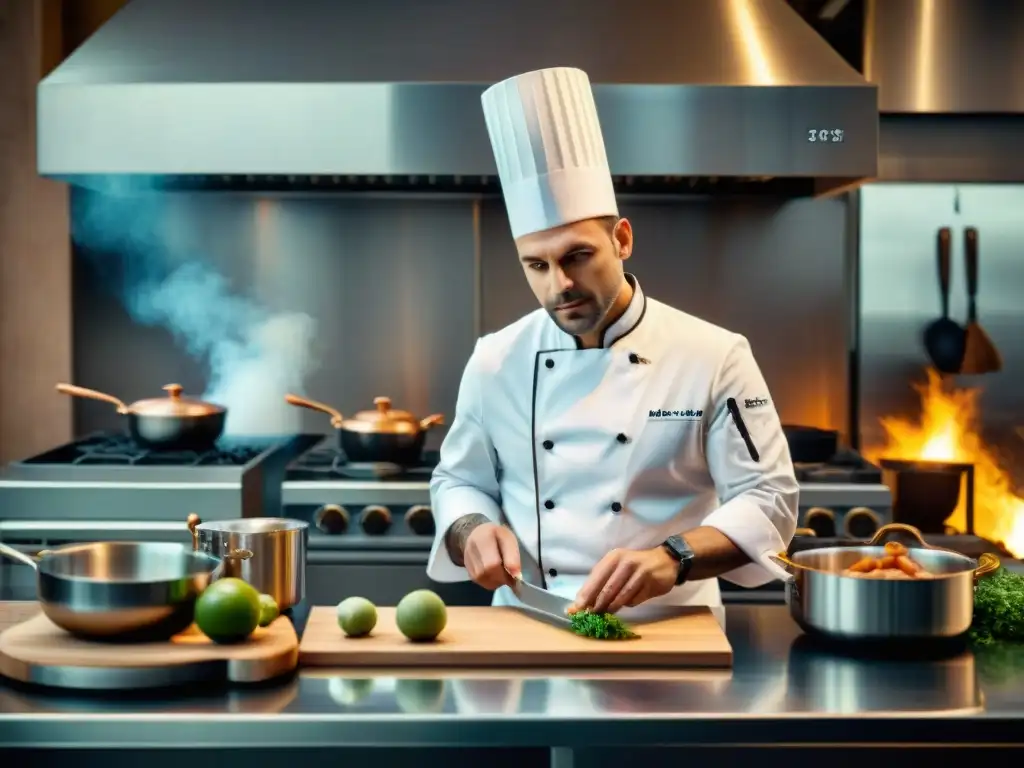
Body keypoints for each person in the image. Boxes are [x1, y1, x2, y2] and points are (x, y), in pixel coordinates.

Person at [426, 66, 799, 619]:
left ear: (621, 239)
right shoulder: (495, 359)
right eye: (537, 265)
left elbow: (769, 499)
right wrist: (471, 528)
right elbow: (458, 479)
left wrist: (675, 556)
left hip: (670, 626)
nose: (561, 285)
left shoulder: (715, 356)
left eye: (578, 256)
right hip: (529, 622)